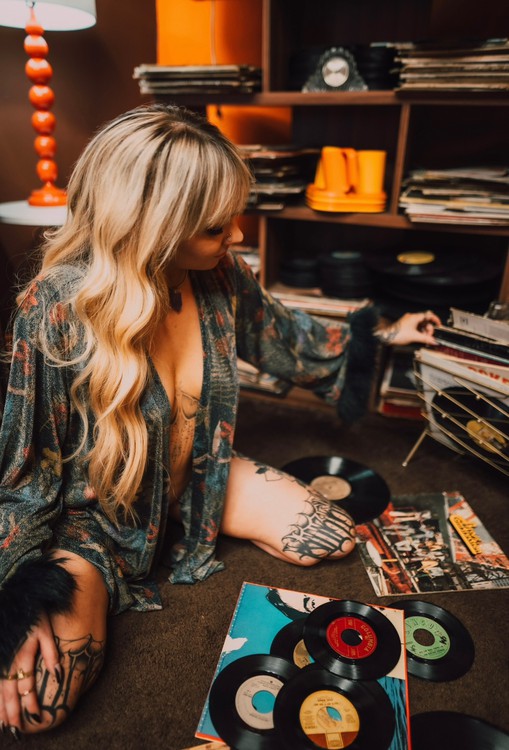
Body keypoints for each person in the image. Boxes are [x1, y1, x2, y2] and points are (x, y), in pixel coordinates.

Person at [0, 103, 440, 737]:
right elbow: (24, 471)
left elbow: (287, 337)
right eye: (215, 226)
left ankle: (204, 516)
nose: (236, 233)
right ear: (154, 226)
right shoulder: (55, 308)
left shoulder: (220, 275)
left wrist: (387, 333)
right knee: (42, 705)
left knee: (330, 537)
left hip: (200, 477)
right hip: (96, 522)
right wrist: (20, 598)